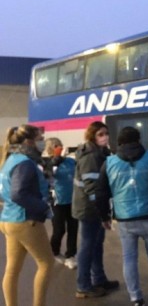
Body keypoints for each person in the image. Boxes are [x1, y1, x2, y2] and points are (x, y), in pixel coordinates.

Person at [96, 126, 148, 306]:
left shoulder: (109, 163)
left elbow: (100, 193)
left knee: (129, 257)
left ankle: (136, 297)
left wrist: (104, 216)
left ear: (119, 143)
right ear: (139, 140)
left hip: (125, 219)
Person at [0, 125, 55, 306]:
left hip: (8, 218)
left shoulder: (9, 159)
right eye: (40, 138)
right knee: (46, 263)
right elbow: (19, 193)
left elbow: (7, 193)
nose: (42, 141)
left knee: (12, 269)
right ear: (29, 141)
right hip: (25, 220)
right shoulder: (25, 162)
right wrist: (43, 208)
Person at [72, 121, 119, 298]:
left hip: (94, 207)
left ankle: (99, 279)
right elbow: (92, 188)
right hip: (89, 209)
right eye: (100, 134)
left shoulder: (101, 153)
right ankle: (83, 286)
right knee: (87, 246)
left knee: (96, 245)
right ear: (92, 136)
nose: (105, 137)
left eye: (106, 133)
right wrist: (102, 212)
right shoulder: (91, 157)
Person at [44, 137, 79, 270]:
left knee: (73, 228)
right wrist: (55, 161)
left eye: (59, 145)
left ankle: (71, 255)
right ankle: (54, 251)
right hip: (57, 201)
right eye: (55, 146)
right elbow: (47, 175)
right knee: (59, 229)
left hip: (73, 199)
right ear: (50, 149)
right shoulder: (49, 163)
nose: (59, 147)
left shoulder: (70, 161)